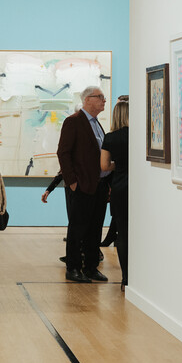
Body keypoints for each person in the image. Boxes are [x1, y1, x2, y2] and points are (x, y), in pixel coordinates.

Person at [57, 86, 111, 283]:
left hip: (100, 185)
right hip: (82, 186)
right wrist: (72, 182)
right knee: (78, 228)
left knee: (95, 228)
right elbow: (63, 153)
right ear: (88, 100)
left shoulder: (97, 124)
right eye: (100, 97)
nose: (104, 101)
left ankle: (90, 267)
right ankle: (73, 268)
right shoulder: (74, 122)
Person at [100, 100, 129, 289]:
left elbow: (104, 166)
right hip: (137, 187)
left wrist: (118, 165)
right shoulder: (140, 135)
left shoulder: (110, 137)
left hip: (119, 187)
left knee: (123, 233)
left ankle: (126, 277)